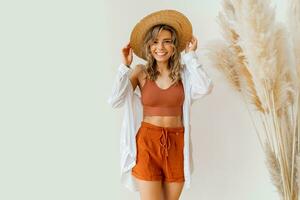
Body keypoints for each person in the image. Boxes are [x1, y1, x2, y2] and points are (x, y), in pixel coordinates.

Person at [108, 9, 213, 200]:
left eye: (166, 41)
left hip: (177, 143)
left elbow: (205, 88)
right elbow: (115, 100)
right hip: (148, 143)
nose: (160, 47)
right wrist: (124, 66)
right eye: (155, 42)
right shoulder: (140, 72)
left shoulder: (184, 74)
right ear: (148, 47)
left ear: (174, 46)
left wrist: (191, 57)